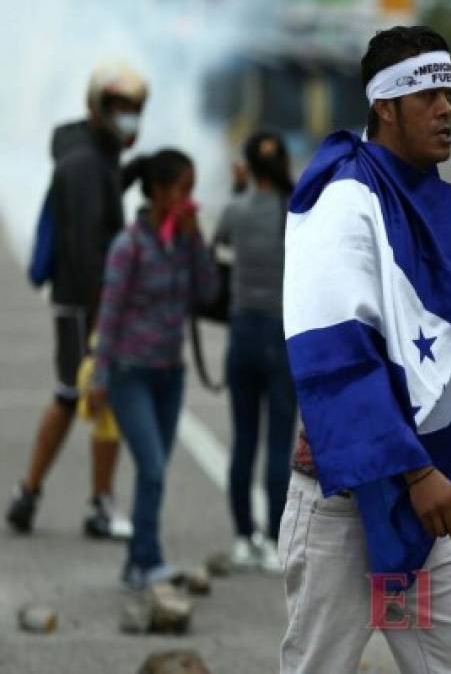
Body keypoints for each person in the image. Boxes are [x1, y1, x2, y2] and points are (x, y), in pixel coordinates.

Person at [279, 26, 451, 674]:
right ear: (384, 104)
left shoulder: (419, 193)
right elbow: (335, 350)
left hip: (419, 486)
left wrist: (420, 473)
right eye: (427, 92)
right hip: (347, 490)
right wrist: (415, 472)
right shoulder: (344, 196)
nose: (446, 107)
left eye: (449, 90)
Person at [7, 61, 148, 539]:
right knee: (93, 395)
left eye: (135, 109)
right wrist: (104, 324)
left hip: (76, 299)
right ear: (99, 107)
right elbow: (90, 244)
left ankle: (27, 494)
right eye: (120, 108)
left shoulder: (91, 154)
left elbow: (99, 207)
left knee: (69, 396)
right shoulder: (87, 163)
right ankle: (100, 506)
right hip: (86, 302)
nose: (129, 118)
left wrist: (130, 173)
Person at [88, 149, 219, 590]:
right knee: (154, 467)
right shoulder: (129, 246)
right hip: (131, 373)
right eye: (183, 189)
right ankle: (148, 559)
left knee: (154, 469)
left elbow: (207, 291)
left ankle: (137, 565)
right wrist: (100, 377)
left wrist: (196, 238)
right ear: (159, 192)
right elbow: (109, 314)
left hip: (170, 373)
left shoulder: (182, 240)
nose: (189, 199)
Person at [213, 130, 296, 573]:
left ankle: (244, 536)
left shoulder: (236, 208)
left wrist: (239, 187)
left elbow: (221, 240)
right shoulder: (295, 209)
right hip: (283, 335)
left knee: (244, 440)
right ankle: (278, 539)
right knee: (278, 443)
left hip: (242, 331)